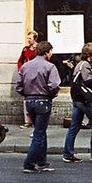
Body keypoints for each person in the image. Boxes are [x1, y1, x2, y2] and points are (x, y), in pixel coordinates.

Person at [62, 43, 92, 164]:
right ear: (90, 54)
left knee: (74, 127)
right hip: (84, 100)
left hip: (78, 99)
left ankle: (68, 154)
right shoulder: (85, 65)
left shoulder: (80, 64)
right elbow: (89, 83)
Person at [16, 41, 60, 173]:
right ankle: (29, 163)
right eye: (50, 51)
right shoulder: (50, 66)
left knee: (40, 131)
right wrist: (50, 95)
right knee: (39, 134)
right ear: (47, 52)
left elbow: (18, 86)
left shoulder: (25, 66)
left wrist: (27, 94)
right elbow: (54, 85)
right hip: (43, 101)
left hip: (29, 101)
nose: (51, 54)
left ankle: (41, 161)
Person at [17, 31, 39, 129]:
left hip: (36, 76)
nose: (28, 40)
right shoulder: (25, 49)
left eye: (30, 38)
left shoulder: (39, 49)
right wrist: (21, 69)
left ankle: (36, 121)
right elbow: (20, 60)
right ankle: (28, 121)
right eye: (28, 38)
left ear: (35, 39)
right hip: (26, 75)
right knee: (26, 98)